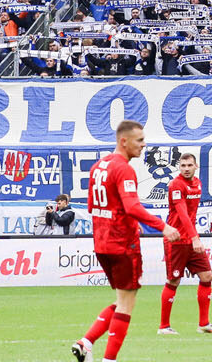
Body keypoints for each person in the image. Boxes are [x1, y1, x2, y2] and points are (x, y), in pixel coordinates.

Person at [72, 120, 181, 362]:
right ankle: (109, 359)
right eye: (140, 140)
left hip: (102, 243)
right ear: (124, 141)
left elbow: (92, 206)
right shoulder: (123, 168)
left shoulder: (99, 166)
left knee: (122, 299)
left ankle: (86, 342)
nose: (144, 145)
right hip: (122, 244)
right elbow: (132, 206)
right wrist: (162, 226)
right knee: (126, 304)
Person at [159, 151, 212, 335]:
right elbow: (182, 213)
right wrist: (195, 237)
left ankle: (204, 324)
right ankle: (164, 327)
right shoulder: (176, 185)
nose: (186, 169)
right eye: (183, 166)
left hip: (191, 239)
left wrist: (194, 237)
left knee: (207, 276)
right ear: (179, 167)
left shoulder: (197, 183)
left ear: (196, 167)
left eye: (189, 165)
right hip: (176, 240)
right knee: (173, 280)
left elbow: (191, 214)